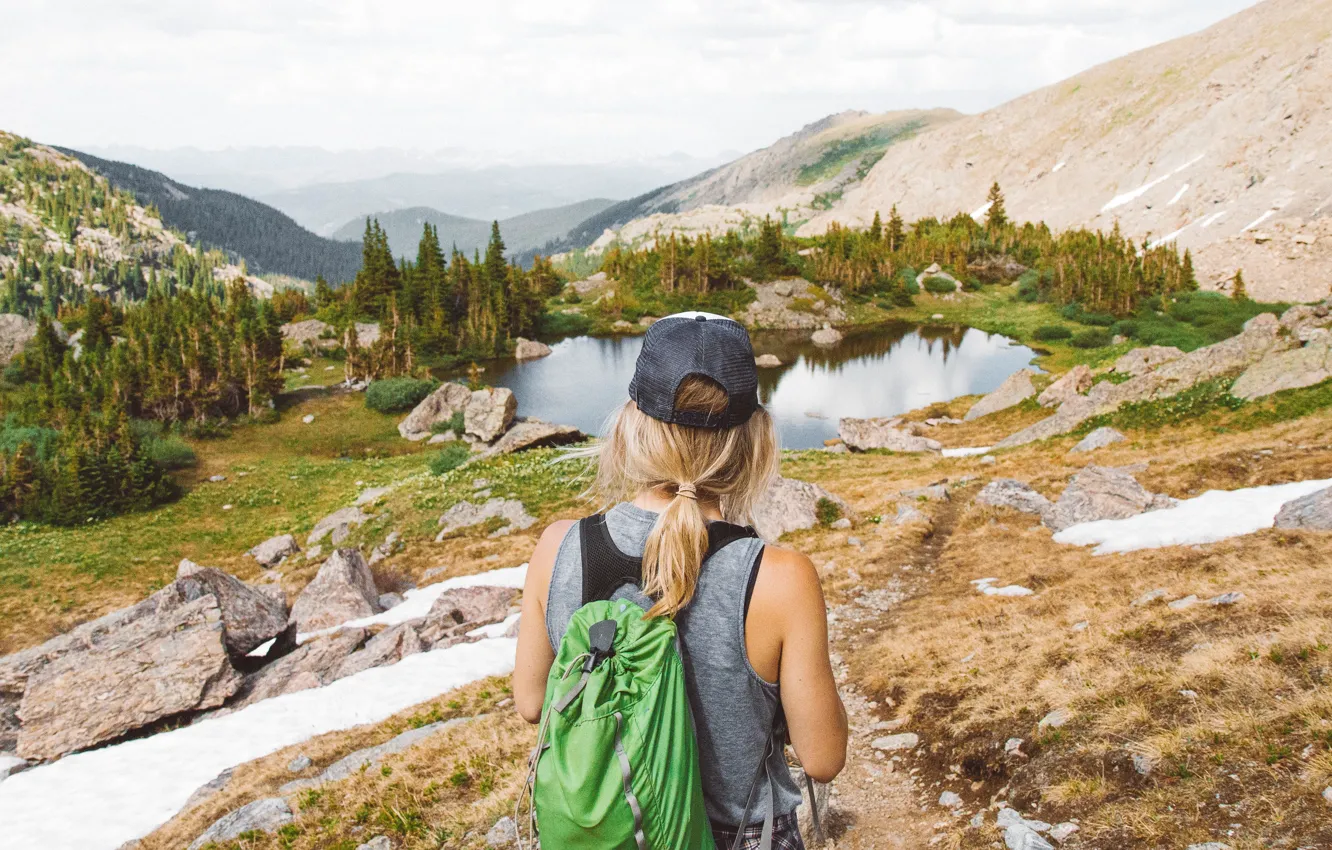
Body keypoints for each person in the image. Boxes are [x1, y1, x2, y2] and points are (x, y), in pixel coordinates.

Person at [513, 312, 848, 849]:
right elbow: (824, 758)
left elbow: (532, 702)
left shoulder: (559, 547)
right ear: (754, 438)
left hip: (614, 834)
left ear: (630, 423)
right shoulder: (782, 578)